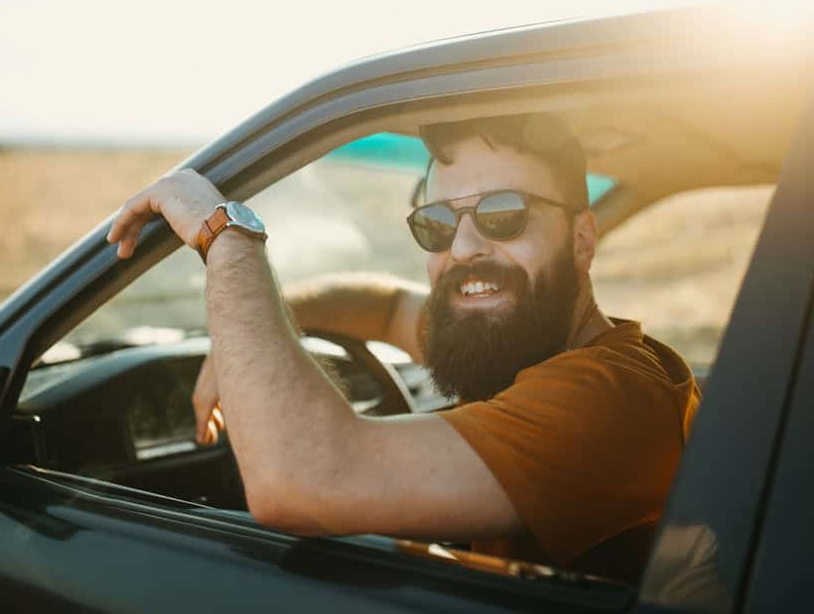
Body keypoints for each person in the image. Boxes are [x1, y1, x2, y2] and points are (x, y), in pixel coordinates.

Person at [106, 113, 701, 582]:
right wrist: (252, 336)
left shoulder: (611, 400)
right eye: (438, 222)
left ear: (581, 239)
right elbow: (387, 305)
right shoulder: (527, 334)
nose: (464, 246)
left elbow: (303, 478)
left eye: (503, 214)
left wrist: (224, 235)